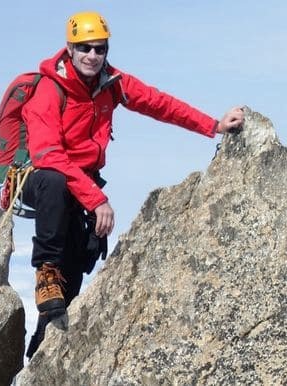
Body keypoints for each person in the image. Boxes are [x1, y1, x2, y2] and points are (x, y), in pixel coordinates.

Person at [20, 11, 244, 357]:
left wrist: (213, 125)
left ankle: (38, 358)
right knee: (54, 183)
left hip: (82, 190)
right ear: (69, 48)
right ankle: (45, 271)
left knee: (69, 290)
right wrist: (96, 200)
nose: (93, 56)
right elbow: (48, 155)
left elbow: (159, 103)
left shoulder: (112, 82)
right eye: (85, 48)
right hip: (43, 182)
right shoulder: (49, 89)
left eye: (100, 48)